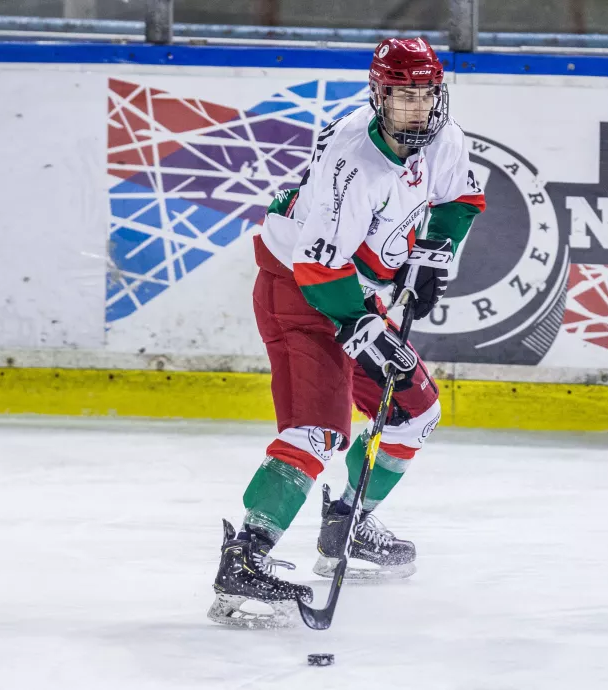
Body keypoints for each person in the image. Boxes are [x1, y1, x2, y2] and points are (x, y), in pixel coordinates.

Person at [207, 36, 486, 626]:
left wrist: (433, 251)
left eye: (425, 94)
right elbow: (316, 267)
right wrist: (361, 324)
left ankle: (348, 524)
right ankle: (245, 559)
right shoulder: (354, 162)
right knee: (317, 431)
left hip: (352, 291)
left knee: (415, 411)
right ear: (378, 95)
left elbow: (459, 198)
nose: (416, 107)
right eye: (402, 95)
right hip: (299, 289)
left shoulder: (446, 138)